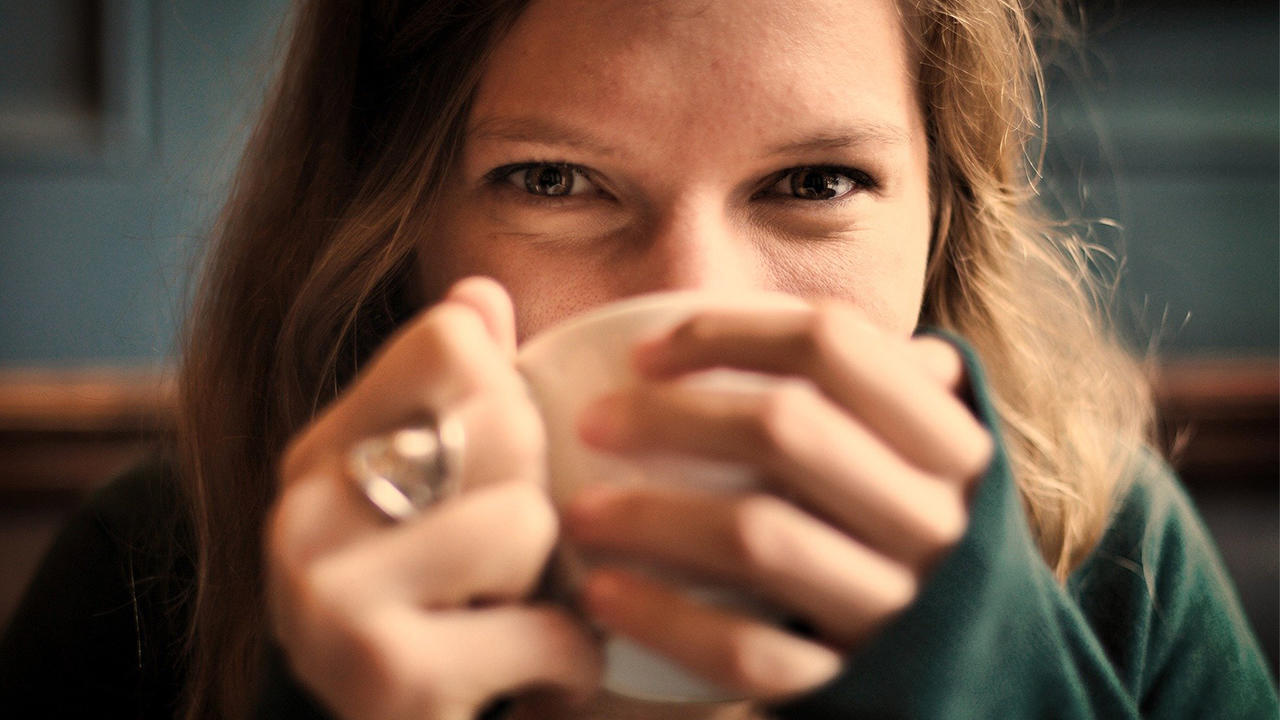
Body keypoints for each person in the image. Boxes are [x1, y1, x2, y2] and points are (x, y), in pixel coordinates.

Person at [1, 0, 1275, 718]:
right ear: (393, 230)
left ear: (943, 217)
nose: (689, 307)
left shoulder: (1111, 562)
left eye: (815, 181)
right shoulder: (158, 570)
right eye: (553, 182)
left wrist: (987, 685)